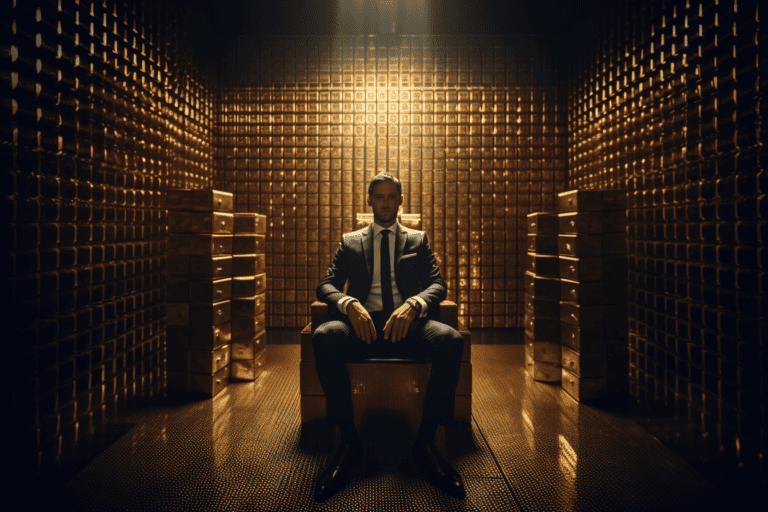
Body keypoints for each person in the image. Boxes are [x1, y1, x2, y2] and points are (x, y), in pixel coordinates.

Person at [312, 172, 466, 502]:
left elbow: (439, 285)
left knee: (451, 340)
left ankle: (426, 444)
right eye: (378, 196)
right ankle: (348, 443)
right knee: (324, 335)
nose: (385, 202)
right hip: (362, 328)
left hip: (406, 327)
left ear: (399, 200)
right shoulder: (350, 241)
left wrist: (414, 304)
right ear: (369, 202)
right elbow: (325, 285)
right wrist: (349, 303)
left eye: (391, 196)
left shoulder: (417, 239)